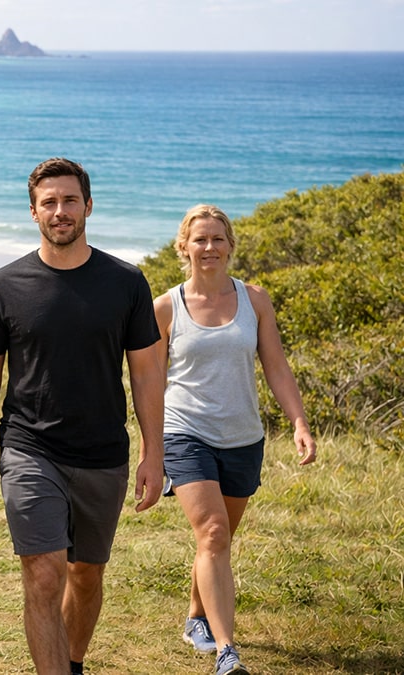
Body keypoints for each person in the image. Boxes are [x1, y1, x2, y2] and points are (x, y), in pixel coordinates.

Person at [0, 158, 164, 675]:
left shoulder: (126, 282)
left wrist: (154, 453)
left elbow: (146, 372)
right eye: (49, 202)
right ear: (33, 212)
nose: (60, 211)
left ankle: (72, 663)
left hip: (103, 453)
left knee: (86, 576)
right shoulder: (4, 284)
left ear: (88, 206)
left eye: (70, 200)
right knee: (44, 573)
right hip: (29, 448)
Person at [155, 204, 317, 675]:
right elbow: (149, 382)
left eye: (217, 239)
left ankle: (195, 617)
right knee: (212, 532)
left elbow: (276, 366)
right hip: (185, 431)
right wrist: (150, 446)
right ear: (184, 247)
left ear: (230, 245)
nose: (209, 247)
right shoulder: (165, 307)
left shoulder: (255, 299)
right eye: (200, 239)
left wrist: (300, 422)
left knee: (218, 539)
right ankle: (227, 651)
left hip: (243, 436)